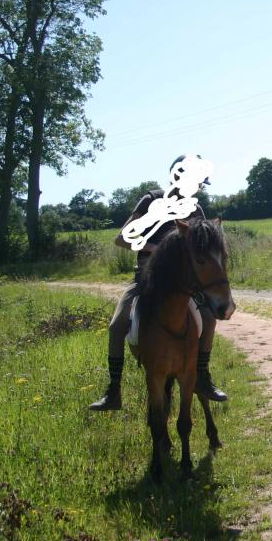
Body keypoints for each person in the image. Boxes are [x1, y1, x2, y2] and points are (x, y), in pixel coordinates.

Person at [89, 154, 229, 411]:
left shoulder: (195, 209)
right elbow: (121, 239)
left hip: (182, 283)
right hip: (148, 279)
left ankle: (203, 377)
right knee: (117, 325)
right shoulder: (151, 201)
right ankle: (113, 391)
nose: (199, 186)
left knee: (209, 319)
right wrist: (155, 248)